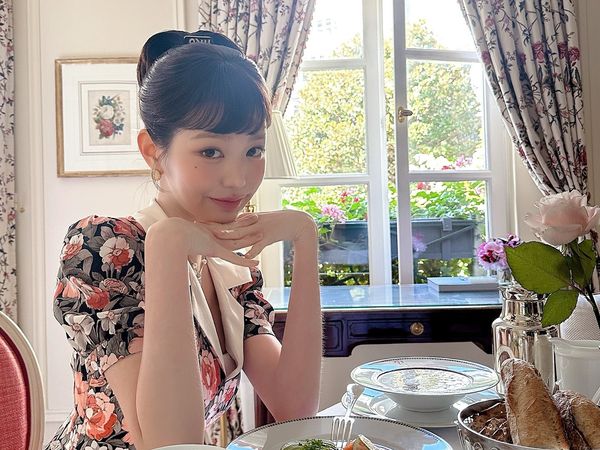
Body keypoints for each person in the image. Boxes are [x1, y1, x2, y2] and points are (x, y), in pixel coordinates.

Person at [45, 30, 322, 450]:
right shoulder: (104, 247)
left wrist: (305, 236)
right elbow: (169, 442)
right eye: (210, 152)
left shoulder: (229, 263)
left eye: (253, 150)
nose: (238, 180)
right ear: (153, 151)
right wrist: (169, 245)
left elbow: (295, 406)